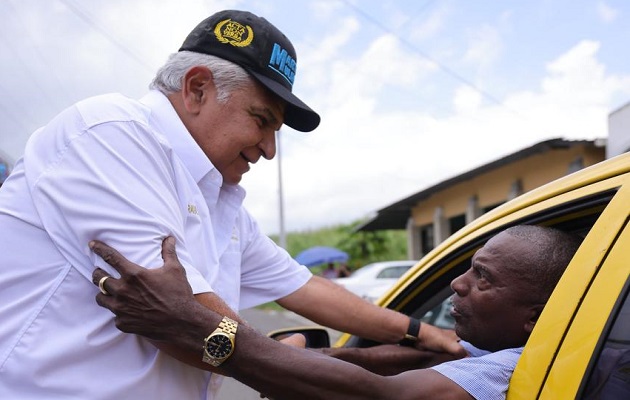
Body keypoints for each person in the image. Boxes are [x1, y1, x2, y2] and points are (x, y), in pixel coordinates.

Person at [0, 9, 461, 399]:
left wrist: (423, 333)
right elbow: (179, 323)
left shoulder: (222, 204)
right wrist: (274, 356)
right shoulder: (111, 134)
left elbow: (305, 289)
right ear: (197, 88)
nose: (268, 149)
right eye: (261, 121)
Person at [90, 225, 582, 399]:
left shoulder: (514, 368)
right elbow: (384, 363)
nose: (458, 283)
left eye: (483, 278)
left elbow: (381, 395)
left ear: (534, 319)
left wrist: (199, 329)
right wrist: (293, 359)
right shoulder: (490, 347)